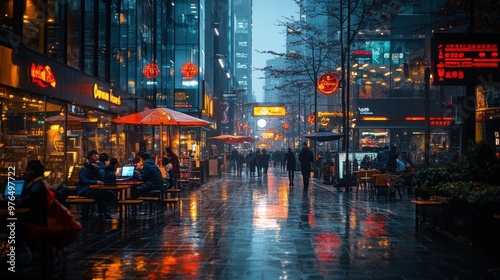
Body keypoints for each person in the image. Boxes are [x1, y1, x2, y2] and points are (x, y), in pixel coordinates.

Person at [77, 150, 109, 218]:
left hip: (92, 189)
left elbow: (101, 178)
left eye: (97, 155)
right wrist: (95, 182)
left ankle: (102, 212)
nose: (96, 157)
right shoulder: (85, 169)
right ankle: (100, 213)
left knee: (106, 193)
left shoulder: (96, 168)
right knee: (101, 194)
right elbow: (83, 180)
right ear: (90, 157)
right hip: (85, 190)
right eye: (94, 155)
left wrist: (97, 169)